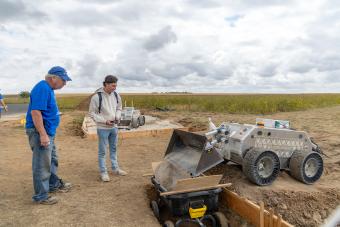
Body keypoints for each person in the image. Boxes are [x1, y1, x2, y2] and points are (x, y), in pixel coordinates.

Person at [25, 66, 72, 205]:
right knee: (41, 164)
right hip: (41, 133)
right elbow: (36, 112)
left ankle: (52, 185)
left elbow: (44, 111)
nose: (65, 83)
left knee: (52, 160)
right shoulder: (42, 88)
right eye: (64, 80)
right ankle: (41, 196)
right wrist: (43, 135)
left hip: (47, 132)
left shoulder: (48, 89)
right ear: (54, 78)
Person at [89, 75, 127, 182]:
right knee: (103, 151)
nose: (115, 88)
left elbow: (119, 108)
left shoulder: (116, 95)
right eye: (113, 86)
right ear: (106, 84)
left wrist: (117, 117)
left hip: (114, 127)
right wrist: (105, 121)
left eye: (116, 86)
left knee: (113, 149)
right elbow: (92, 113)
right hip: (102, 128)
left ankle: (115, 168)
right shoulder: (97, 97)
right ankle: (103, 172)